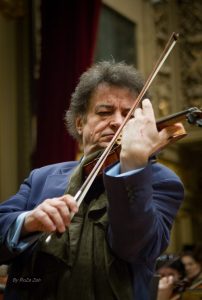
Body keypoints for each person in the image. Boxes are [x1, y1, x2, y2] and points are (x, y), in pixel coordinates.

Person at [0, 61, 184, 300]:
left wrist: (133, 167)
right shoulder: (42, 178)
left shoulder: (161, 181)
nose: (118, 122)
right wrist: (27, 222)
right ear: (80, 123)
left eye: (128, 115)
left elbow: (135, 247)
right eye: (105, 112)